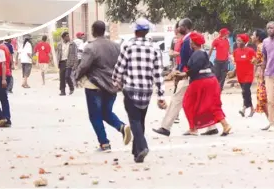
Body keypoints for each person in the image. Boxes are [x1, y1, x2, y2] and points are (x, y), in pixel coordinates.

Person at [112, 18, 166, 163]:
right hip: (146, 91)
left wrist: (116, 81)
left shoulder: (128, 46)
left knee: (134, 120)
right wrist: (161, 95)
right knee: (140, 120)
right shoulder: (155, 48)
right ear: (147, 31)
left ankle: (142, 147)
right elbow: (158, 73)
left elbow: (119, 68)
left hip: (130, 89)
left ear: (135, 31)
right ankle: (137, 153)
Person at [153, 18, 218, 137]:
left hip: (188, 75)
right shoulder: (190, 39)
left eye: (180, 26)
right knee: (197, 102)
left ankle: (166, 127)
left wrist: (180, 73)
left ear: (185, 27)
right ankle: (209, 127)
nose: (178, 28)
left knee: (177, 100)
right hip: (194, 74)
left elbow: (187, 60)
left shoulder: (188, 40)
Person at [75, 21, 132, 152]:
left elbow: (84, 66)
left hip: (94, 85)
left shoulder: (90, 47)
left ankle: (104, 143)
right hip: (112, 84)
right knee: (106, 113)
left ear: (94, 30)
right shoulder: (116, 46)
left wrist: (75, 77)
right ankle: (122, 127)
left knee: (95, 116)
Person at [175, 32, 232, 136]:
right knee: (213, 105)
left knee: (187, 103)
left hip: (200, 81)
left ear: (192, 43)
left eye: (191, 42)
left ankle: (193, 128)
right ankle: (225, 125)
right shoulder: (203, 52)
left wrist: (184, 74)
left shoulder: (197, 54)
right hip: (211, 80)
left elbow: (195, 69)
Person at [233, 34, 256, 117]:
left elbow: (255, 61)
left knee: (245, 90)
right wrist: (233, 72)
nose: (237, 42)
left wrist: (254, 62)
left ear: (244, 41)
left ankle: (244, 107)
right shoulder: (236, 51)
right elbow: (236, 63)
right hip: (240, 75)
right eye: (237, 40)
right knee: (246, 92)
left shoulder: (250, 51)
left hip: (248, 74)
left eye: (239, 40)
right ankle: (252, 108)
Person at [57, 31, 78, 96]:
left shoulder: (72, 44)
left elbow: (75, 54)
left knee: (67, 76)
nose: (68, 37)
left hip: (69, 61)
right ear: (63, 37)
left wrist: (75, 64)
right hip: (62, 62)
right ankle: (62, 91)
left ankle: (71, 87)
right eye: (67, 36)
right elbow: (58, 54)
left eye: (68, 36)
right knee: (62, 77)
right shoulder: (59, 44)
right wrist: (58, 62)